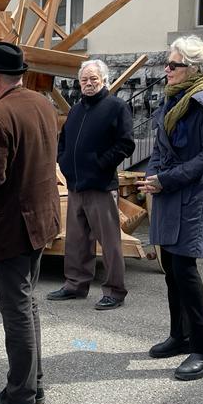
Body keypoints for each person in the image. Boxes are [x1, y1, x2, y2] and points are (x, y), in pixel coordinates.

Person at [0, 42, 60, 404]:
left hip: (14, 226)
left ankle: (21, 393)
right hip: (40, 219)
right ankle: (32, 383)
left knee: (17, 308)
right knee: (27, 302)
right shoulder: (42, 102)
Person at [137, 36, 203, 382]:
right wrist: (152, 176)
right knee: (171, 266)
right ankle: (180, 335)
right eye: (167, 63)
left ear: (192, 68)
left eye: (173, 65)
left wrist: (166, 179)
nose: (166, 70)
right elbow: (160, 148)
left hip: (189, 193)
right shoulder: (171, 101)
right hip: (168, 190)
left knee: (185, 269)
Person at [50, 59, 135, 310]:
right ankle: (75, 284)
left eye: (93, 79)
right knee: (76, 240)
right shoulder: (76, 110)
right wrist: (63, 163)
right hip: (76, 185)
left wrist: (100, 163)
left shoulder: (116, 107)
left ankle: (114, 291)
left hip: (100, 185)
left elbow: (125, 144)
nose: (88, 84)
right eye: (84, 80)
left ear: (104, 81)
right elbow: (63, 142)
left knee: (109, 242)